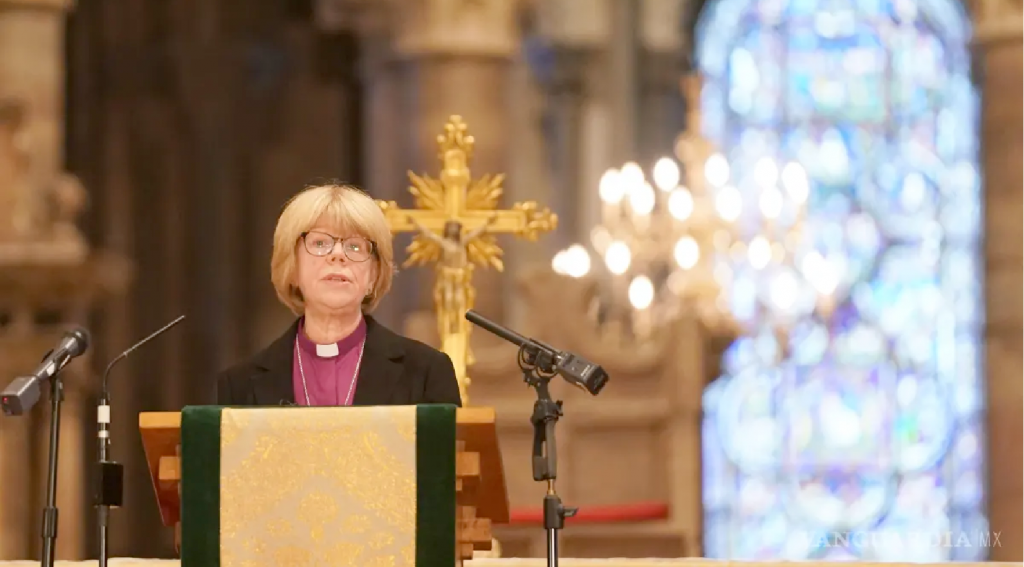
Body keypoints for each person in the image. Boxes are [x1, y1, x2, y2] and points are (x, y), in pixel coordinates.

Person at [215, 184, 462, 407]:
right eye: (320, 243)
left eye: (355, 246)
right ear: (292, 268)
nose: (338, 255)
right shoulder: (240, 385)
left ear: (373, 275)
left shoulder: (426, 373)